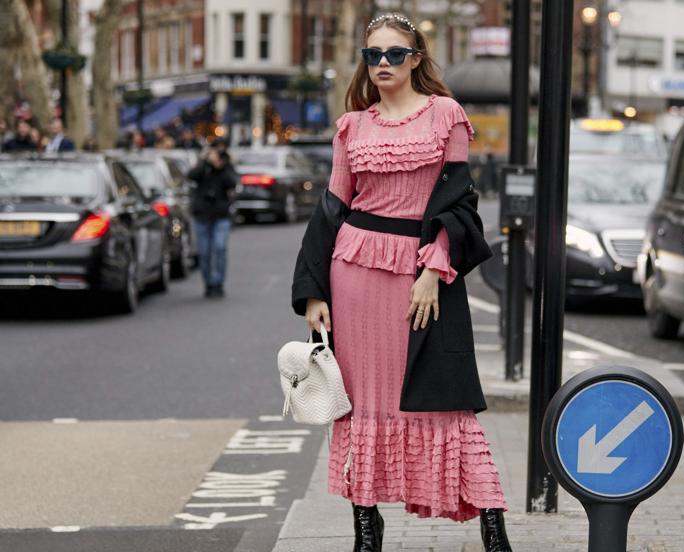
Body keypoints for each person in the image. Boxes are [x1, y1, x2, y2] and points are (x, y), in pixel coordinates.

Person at [291, 13, 511, 552]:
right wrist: (313, 290)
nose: (383, 64)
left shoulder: (446, 116)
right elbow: (333, 208)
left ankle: (493, 527)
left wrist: (434, 270)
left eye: (394, 53)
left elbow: (460, 203)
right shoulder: (353, 126)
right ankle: (366, 528)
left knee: (444, 401)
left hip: (419, 274)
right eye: (374, 55)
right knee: (360, 404)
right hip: (355, 273)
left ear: (416, 58)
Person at [188, 146, 237, 298]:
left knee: (220, 247)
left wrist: (223, 165)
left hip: (220, 215)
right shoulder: (203, 168)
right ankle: (208, 283)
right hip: (202, 215)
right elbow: (191, 176)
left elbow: (232, 182)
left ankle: (218, 282)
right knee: (204, 252)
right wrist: (204, 162)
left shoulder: (226, 168)